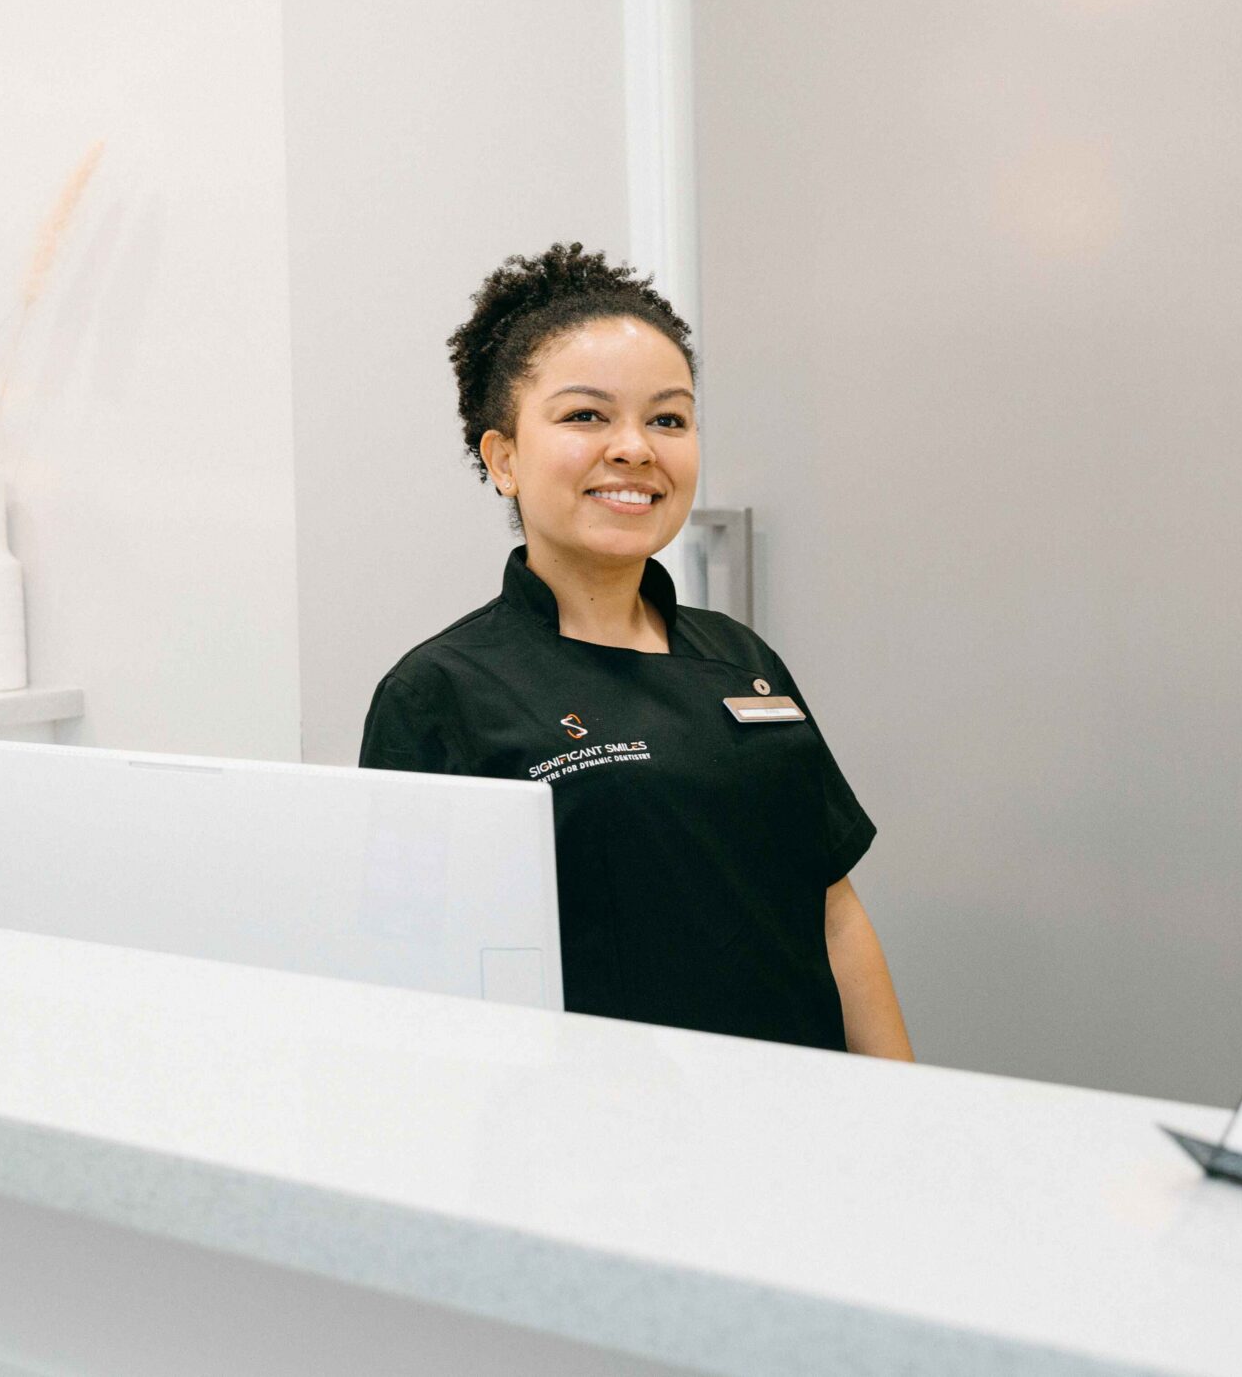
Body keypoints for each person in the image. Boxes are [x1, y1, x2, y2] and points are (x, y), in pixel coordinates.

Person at [360, 243, 913, 1058]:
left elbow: (833, 912)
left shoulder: (740, 657)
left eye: (668, 417)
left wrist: (904, 1117)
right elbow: (407, 983)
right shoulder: (439, 692)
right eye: (586, 415)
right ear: (503, 457)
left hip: (803, 1132)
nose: (635, 447)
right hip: (592, 1150)